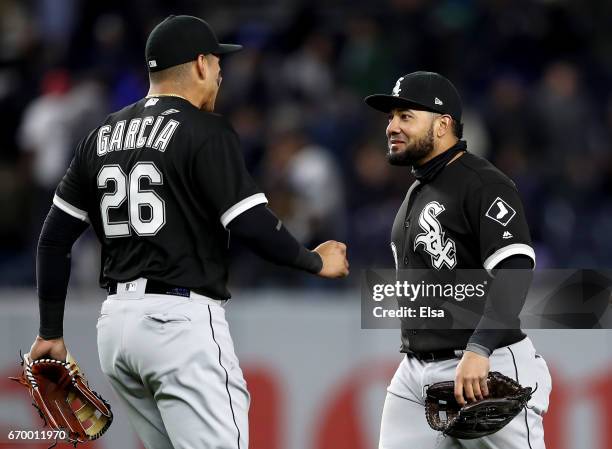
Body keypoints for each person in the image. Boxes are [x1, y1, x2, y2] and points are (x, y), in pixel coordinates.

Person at [27, 15, 349, 449]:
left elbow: (53, 240)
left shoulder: (99, 136)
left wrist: (50, 331)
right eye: (217, 63)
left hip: (117, 331)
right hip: (178, 324)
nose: (220, 74)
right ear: (199, 64)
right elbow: (251, 225)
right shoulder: (204, 129)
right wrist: (314, 260)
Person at [364, 71, 551, 449]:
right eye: (390, 117)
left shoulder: (482, 183)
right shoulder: (418, 190)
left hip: (485, 364)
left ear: (443, 124)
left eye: (405, 116)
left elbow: (515, 269)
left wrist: (479, 349)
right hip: (415, 372)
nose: (392, 127)